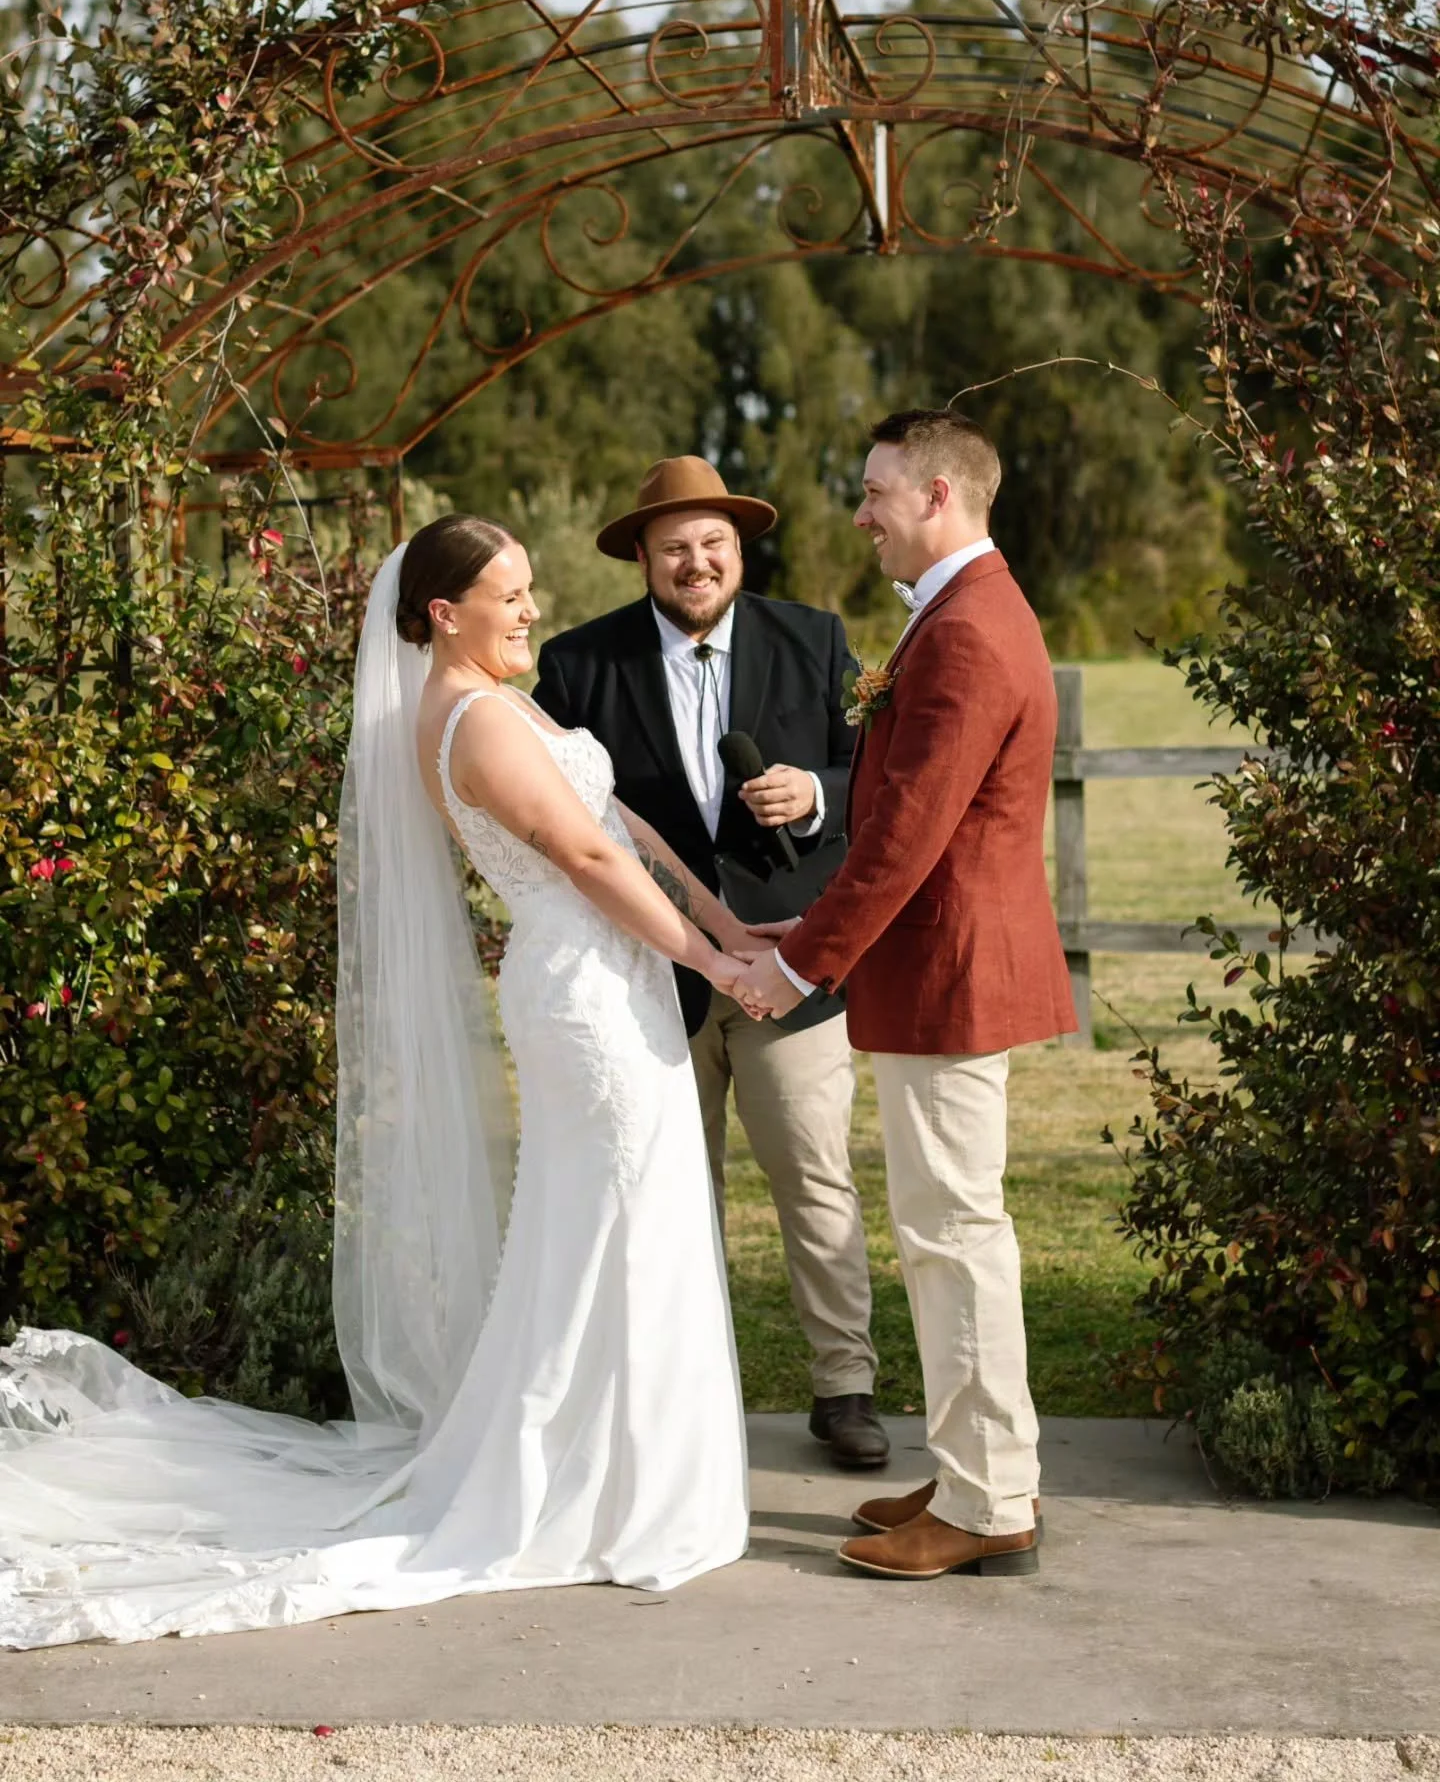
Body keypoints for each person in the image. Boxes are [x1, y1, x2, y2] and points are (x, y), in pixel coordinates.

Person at [0, 515, 773, 1648]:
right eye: (509, 595)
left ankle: (624, 1475)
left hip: (620, 979)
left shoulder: (504, 701)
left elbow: (620, 817)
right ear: (445, 613)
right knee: (615, 1226)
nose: (531, 610)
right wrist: (711, 966)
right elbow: (588, 856)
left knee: (623, 1225)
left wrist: (723, 918)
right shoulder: (466, 719)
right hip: (588, 997)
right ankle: (602, 1492)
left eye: (530, 588)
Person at [740, 410, 1077, 1579]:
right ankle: (986, 1466)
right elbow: (901, 826)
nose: (861, 512)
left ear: (938, 493)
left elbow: (906, 843)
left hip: (951, 975)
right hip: (942, 968)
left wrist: (792, 967)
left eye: (876, 491)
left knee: (954, 1235)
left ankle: (990, 1509)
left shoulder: (969, 632)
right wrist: (807, 927)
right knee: (951, 1231)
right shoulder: (963, 614)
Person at [534, 455, 888, 1470]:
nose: (697, 561)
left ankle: (845, 1390)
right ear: (642, 555)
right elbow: (573, 821)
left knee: (814, 1181)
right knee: (658, 1192)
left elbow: (877, 777)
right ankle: (674, 1397)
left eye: (714, 543)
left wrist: (816, 794)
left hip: (790, 972)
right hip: (652, 978)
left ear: (740, 549)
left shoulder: (814, 641)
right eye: (676, 545)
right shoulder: (577, 666)